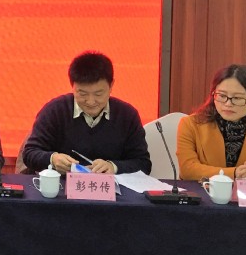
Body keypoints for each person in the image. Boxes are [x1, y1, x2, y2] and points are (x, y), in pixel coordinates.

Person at [22, 51, 151, 175]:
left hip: (109, 188)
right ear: (72, 86)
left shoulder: (127, 115)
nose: (90, 101)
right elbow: (29, 153)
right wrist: (53, 159)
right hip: (61, 186)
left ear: (111, 85)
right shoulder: (55, 110)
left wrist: (113, 167)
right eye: (82, 94)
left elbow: (143, 163)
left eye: (98, 94)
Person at [177, 64, 246, 180]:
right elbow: (187, 170)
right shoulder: (190, 124)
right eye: (222, 96)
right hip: (202, 190)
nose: (228, 104)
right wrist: (234, 173)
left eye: (237, 98)